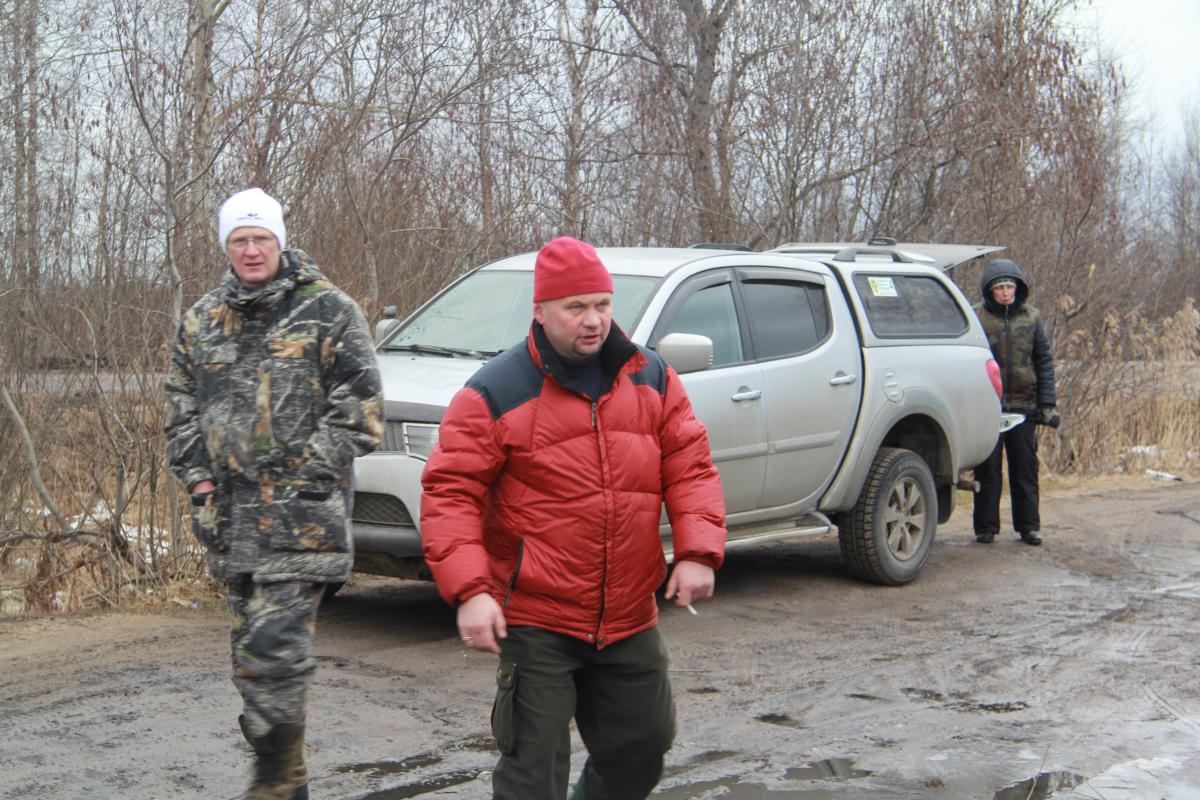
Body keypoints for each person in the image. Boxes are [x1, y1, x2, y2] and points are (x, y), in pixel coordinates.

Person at [419, 236, 727, 800]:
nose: (594, 320)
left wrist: (697, 552)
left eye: (603, 304)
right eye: (576, 307)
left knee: (642, 748)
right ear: (540, 311)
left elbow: (691, 466)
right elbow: (450, 493)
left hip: (628, 613)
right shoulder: (496, 390)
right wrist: (471, 591)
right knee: (533, 775)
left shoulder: (650, 376)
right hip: (537, 618)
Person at [164, 188, 383, 800]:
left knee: (273, 654)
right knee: (250, 663)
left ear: (279, 241)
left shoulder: (329, 311)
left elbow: (361, 410)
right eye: (240, 240)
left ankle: (275, 784)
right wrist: (199, 481)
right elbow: (179, 406)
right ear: (226, 247)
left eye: (261, 238)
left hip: (301, 525)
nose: (252, 249)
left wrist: (305, 478)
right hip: (229, 523)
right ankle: (286, 776)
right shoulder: (203, 319)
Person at [973, 258, 1059, 546]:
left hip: (1024, 406)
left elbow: (1044, 361)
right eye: (999, 288)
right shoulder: (977, 318)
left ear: (1017, 288)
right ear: (990, 290)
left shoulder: (1032, 318)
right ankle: (985, 527)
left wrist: (1046, 404)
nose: (1005, 292)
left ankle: (1029, 527)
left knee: (1025, 470)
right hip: (988, 407)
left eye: (1009, 287)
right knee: (987, 470)